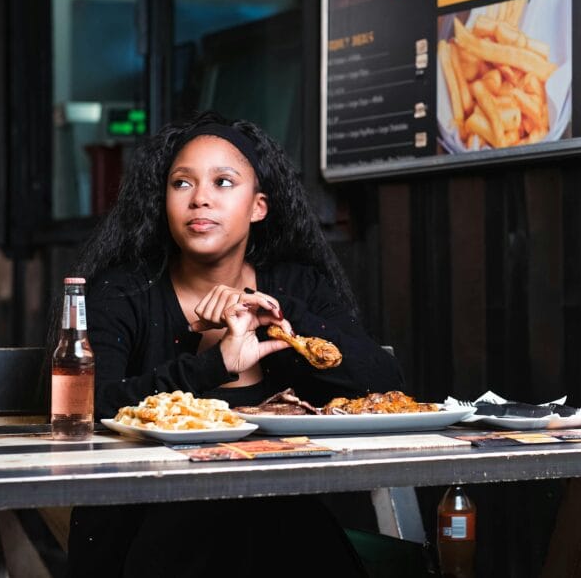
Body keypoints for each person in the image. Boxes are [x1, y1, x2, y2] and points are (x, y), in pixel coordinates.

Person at [58, 110, 405, 577]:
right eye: (182, 184)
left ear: (258, 206)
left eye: (223, 182)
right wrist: (213, 364)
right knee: (219, 506)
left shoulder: (297, 287)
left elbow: (382, 383)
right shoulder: (124, 293)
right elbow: (88, 407)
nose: (200, 199)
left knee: (269, 508)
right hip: (143, 529)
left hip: (277, 527)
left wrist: (281, 314)